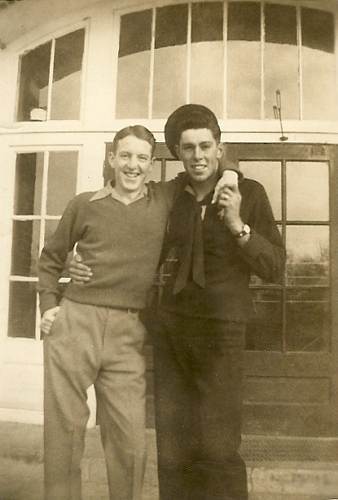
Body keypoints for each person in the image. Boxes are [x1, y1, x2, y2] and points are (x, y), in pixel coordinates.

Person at [69, 105, 285, 500]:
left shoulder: (249, 193)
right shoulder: (170, 197)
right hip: (172, 333)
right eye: (188, 148)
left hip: (223, 332)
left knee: (219, 446)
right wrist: (77, 258)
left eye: (206, 146)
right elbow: (122, 219)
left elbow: (275, 266)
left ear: (220, 148)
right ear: (177, 153)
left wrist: (237, 223)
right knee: (173, 446)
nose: (198, 155)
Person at [38, 120, 232, 500]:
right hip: (76, 321)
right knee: (65, 432)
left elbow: (209, 166)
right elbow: (50, 257)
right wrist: (50, 304)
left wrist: (234, 176)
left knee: (129, 439)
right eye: (125, 155)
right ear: (111, 159)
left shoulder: (164, 198)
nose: (133, 165)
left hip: (129, 331)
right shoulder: (84, 204)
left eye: (142, 158)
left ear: (152, 162)